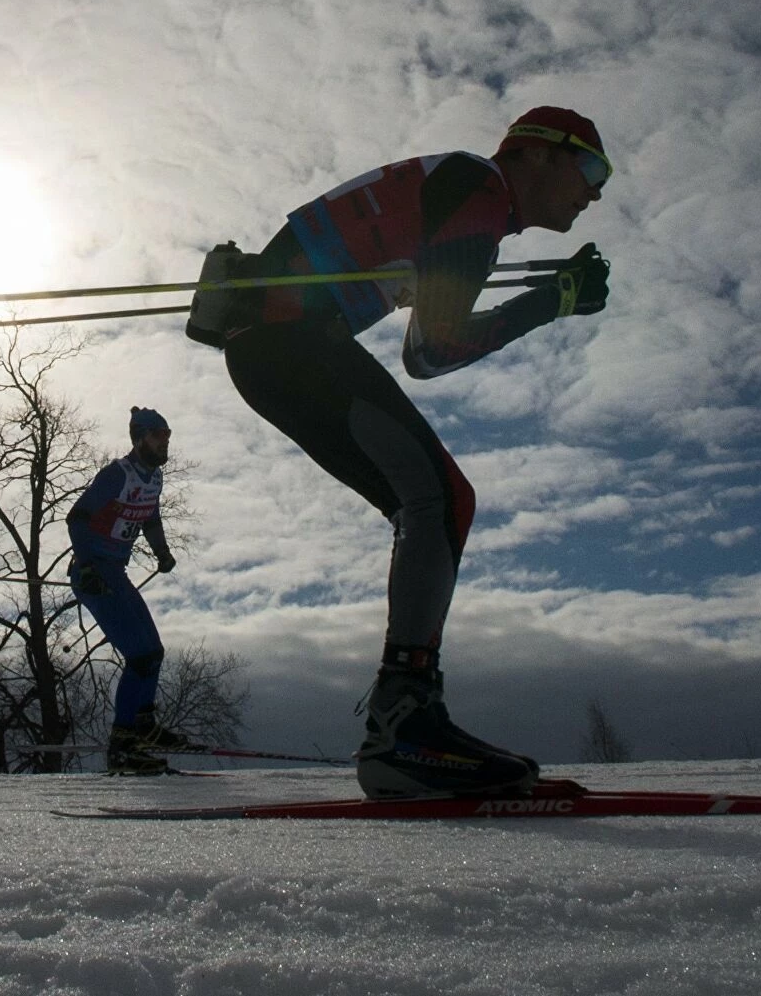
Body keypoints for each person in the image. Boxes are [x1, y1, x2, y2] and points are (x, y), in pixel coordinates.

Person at [198, 106, 614, 799]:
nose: (597, 192)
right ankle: (404, 725)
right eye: (592, 168)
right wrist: (553, 301)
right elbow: (433, 349)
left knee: (430, 502)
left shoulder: (465, 190)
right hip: (292, 342)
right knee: (442, 499)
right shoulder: (481, 191)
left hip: (276, 343)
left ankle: (406, 716)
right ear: (538, 153)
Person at [66, 406, 186, 775]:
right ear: (140, 437)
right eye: (158, 434)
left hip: (115, 572)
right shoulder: (117, 474)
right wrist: (86, 565)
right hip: (95, 574)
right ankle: (123, 742)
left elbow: (150, 516)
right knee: (141, 655)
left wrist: (162, 552)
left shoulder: (153, 479)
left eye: (167, 434)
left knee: (155, 652)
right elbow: (77, 517)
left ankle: (143, 724)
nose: (165, 440)